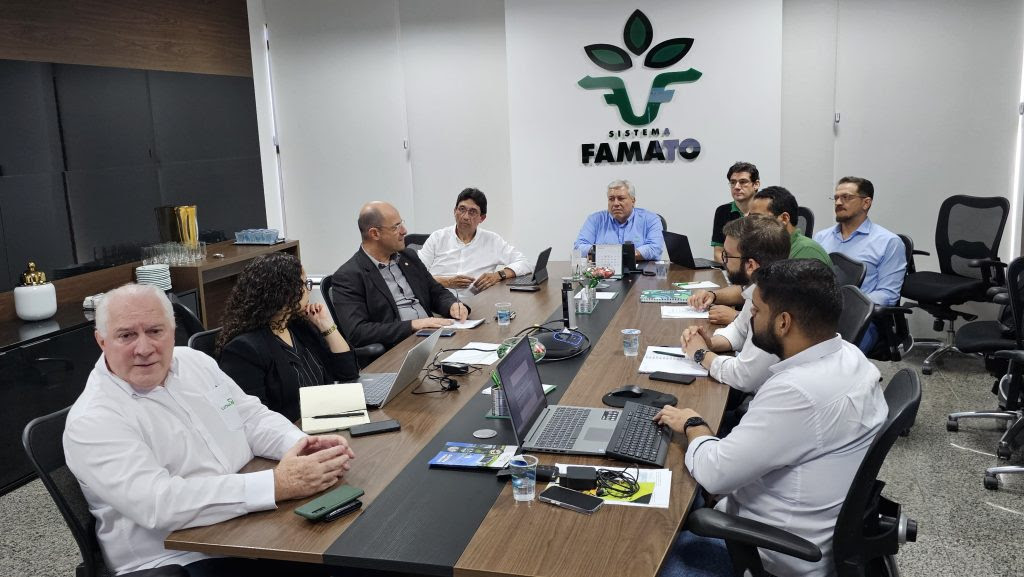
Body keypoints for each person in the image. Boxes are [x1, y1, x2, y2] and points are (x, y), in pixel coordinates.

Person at [63, 284, 355, 575]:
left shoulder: (195, 363)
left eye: (155, 331)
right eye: (126, 335)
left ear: (172, 331)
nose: (144, 348)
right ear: (101, 341)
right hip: (179, 556)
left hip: (249, 521)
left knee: (354, 542)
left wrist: (300, 445)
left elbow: (250, 418)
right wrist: (278, 484)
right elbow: (159, 504)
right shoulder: (94, 420)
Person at [657, 259, 887, 577]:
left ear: (783, 323)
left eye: (755, 310)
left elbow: (714, 474)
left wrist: (693, 424)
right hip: (804, 525)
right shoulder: (851, 356)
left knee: (644, 546)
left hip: (767, 553)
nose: (749, 317)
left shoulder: (797, 392)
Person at [216, 253, 359, 422]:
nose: (308, 290)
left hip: (325, 418)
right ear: (282, 292)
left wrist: (327, 326)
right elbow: (254, 419)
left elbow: (348, 373)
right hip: (292, 431)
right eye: (304, 284)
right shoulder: (243, 350)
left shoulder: (300, 326)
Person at [331, 201, 469, 351]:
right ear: (375, 234)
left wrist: (452, 305)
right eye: (396, 227)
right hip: (396, 349)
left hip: (432, 338)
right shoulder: (349, 276)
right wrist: (412, 325)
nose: (404, 231)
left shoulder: (408, 257)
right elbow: (358, 332)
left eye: (401, 223)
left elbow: (435, 292)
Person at [681, 215, 791, 392]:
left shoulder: (775, 305)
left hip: (765, 399)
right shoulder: (759, 287)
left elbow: (743, 377)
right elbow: (740, 330)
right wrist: (710, 343)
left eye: (727, 255)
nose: (723, 261)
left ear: (750, 265)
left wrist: (701, 354)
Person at [696, 186, 833, 326]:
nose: (749, 222)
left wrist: (737, 317)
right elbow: (750, 288)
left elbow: (798, 315)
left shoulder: (806, 252)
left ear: (784, 218)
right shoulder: (766, 247)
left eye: (757, 217)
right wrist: (713, 295)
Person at [813, 176, 907, 352]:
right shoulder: (821, 237)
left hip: (860, 319)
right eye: (836, 198)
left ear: (866, 203)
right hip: (819, 314)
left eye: (846, 197)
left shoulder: (888, 242)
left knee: (833, 358)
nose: (838, 202)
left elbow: (888, 294)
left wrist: (848, 304)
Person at [418, 188, 532, 294]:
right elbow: (415, 273)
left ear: (482, 218)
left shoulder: (492, 240)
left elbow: (525, 263)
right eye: (462, 209)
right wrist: (448, 282)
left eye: (472, 212)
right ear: (454, 211)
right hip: (435, 300)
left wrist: (498, 275)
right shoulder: (437, 238)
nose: (465, 217)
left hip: (475, 304)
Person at [573, 179, 663, 262]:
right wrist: (600, 251)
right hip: (603, 271)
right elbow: (579, 247)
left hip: (640, 270)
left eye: (621, 198)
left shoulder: (651, 219)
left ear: (633, 201)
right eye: (611, 199)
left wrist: (612, 255)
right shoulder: (595, 220)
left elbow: (655, 248)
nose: (616, 203)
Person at [711, 162, 760, 263]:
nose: (736, 187)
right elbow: (718, 253)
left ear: (756, 184)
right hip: (731, 269)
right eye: (733, 182)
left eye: (743, 182)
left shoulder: (767, 211)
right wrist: (736, 269)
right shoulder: (722, 211)